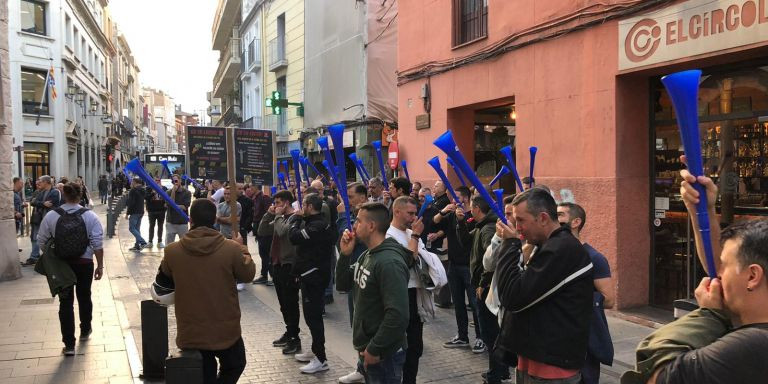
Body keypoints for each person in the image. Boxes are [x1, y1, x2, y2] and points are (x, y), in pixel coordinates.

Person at [621, 167, 768, 384]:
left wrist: (708, 315)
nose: (716, 275)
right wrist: (701, 210)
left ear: (753, 276)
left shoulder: (752, 346)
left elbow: (654, 378)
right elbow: (729, 262)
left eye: (724, 267)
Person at [493, 188, 593, 384]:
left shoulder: (561, 249)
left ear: (543, 218)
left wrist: (511, 244)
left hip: (551, 368)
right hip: (535, 359)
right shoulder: (549, 245)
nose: (517, 226)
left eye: (521, 220)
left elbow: (512, 296)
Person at [159, 199, 255, 384]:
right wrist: (242, 247)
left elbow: (165, 276)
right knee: (235, 364)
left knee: (204, 373)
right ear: (214, 220)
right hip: (226, 328)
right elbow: (248, 274)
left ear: (191, 221)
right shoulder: (232, 248)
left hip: (191, 328)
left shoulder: (172, 251)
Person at [339, 202, 410, 384]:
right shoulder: (368, 254)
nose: (354, 225)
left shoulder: (389, 263)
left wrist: (375, 349)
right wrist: (345, 255)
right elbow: (342, 284)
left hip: (383, 355)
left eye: (358, 221)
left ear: (371, 226)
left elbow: (398, 314)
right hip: (369, 350)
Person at [37, 182, 104, 355]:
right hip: (84, 264)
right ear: (80, 195)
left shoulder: (52, 216)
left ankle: (69, 345)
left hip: (62, 265)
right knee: (84, 296)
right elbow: (97, 244)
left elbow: (42, 240)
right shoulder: (90, 216)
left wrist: (53, 257)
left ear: (64, 195)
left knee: (65, 302)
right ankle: (85, 330)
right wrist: (100, 266)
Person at [386, 196, 447, 384]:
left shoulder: (411, 232)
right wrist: (415, 237)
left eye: (415, 213)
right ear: (397, 212)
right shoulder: (389, 235)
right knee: (401, 349)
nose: (414, 217)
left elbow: (419, 258)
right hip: (400, 296)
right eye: (410, 213)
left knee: (415, 348)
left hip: (415, 295)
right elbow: (407, 261)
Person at [557, 202, 614, 384]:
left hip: (584, 341)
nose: (554, 220)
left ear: (575, 222)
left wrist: (573, 298)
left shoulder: (595, 258)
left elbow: (609, 300)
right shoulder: (552, 254)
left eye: (559, 215)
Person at [287, 193, 335, 373]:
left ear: (309, 206)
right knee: (309, 317)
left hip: (314, 277)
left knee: (313, 318)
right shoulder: (314, 222)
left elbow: (293, 236)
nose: (301, 208)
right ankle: (315, 350)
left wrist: (294, 219)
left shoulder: (318, 225)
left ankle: (321, 359)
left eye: (303, 204)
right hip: (309, 275)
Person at [464, 195, 509, 382]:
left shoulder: (488, 229)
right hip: (485, 286)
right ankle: (499, 369)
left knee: (490, 333)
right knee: (490, 332)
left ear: (476, 208)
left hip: (487, 288)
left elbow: (490, 262)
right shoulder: (482, 227)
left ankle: (497, 371)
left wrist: (483, 283)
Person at [434, 186, 483, 351]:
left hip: (469, 266)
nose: (453, 201)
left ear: (465, 198)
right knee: (459, 304)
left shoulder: (474, 216)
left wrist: (462, 220)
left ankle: (480, 337)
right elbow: (434, 222)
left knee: (475, 305)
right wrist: (443, 212)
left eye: (456, 198)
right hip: (453, 264)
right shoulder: (451, 215)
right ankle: (462, 336)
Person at [257, 190, 301, 354]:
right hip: (276, 264)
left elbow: (283, 232)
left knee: (291, 303)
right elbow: (262, 231)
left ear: (287, 203)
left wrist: (277, 216)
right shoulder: (278, 218)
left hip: (289, 265)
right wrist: (269, 215)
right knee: (283, 304)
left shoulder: (295, 218)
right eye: (274, 203)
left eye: (278, 203)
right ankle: (289, 332)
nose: (275, 206)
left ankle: (295, 338)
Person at [337, 182, 370, 384]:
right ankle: (361, 366)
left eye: (350, 196)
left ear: (363, 198)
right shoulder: (356, 215)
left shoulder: (367, 218)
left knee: (362, 323)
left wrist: (342, 216)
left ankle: (366, 367)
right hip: (354, 273)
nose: (347, 201)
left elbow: (349, 236)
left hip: (364, 274)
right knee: (355, 323)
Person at [25, 175, 61, 265]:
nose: (38, 183)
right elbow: (33, 202)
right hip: (40, 219)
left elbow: (51, 203)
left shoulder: (55, 192)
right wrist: (43, 203)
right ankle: (36, 256)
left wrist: (40, 203)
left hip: (50, 221)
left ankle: (51, 257)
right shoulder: (41, 192)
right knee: (37, 238)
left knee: (50, 239)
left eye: (40, 181)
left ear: (46, 182)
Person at [251, 185, 273, 285]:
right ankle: (264, 275)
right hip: (259, 231)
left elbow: (269, 214)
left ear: (256, 187)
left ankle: (271, 276)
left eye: (252, 186)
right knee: (263, 254)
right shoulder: (255, 198)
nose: (250, 188)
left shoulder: (265, 198)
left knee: (267, 254)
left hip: (265, 231)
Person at [165, 174, 192, 245]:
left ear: (180, 181)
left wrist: (175, 206)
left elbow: (185, 206)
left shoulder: (187, 193)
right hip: (171, 222)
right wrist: (173, 191)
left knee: (185, 244)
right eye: (173, 181)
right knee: (169, 243)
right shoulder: (168, 192)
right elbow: (169, 203)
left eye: (176, 180)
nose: (175, 182)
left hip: (182, 222)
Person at [125, 177, 147, 251]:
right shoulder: (142, 190)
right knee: (137, 229)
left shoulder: (133, 191)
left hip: (134, 212)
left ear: (135, 183)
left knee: (131, 228)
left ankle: (143, 242)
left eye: (132, 182)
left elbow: (131, 203)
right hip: (141, 211)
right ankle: (137, 246)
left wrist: (127, 213)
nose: (131, 183)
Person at [145, 177, 168, 248]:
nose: (157, 182)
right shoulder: (149, 188)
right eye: (156, 181)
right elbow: (146, 197)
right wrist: (153, 192)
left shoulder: (164, 188)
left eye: (159, 180)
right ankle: (150, 241)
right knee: (151, 226)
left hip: (161, 210)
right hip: (152, 210)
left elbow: (167, 198)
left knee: (160, 226)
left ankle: (160, 241)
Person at [236, 183, 254, 251]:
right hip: (229, 229)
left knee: (243, 249)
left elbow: (250, 215)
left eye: (242, 189)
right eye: (239, 189)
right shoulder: (227, 199)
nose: (241, 191)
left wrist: (244, 227)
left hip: (242, 228)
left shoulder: (248, 201)